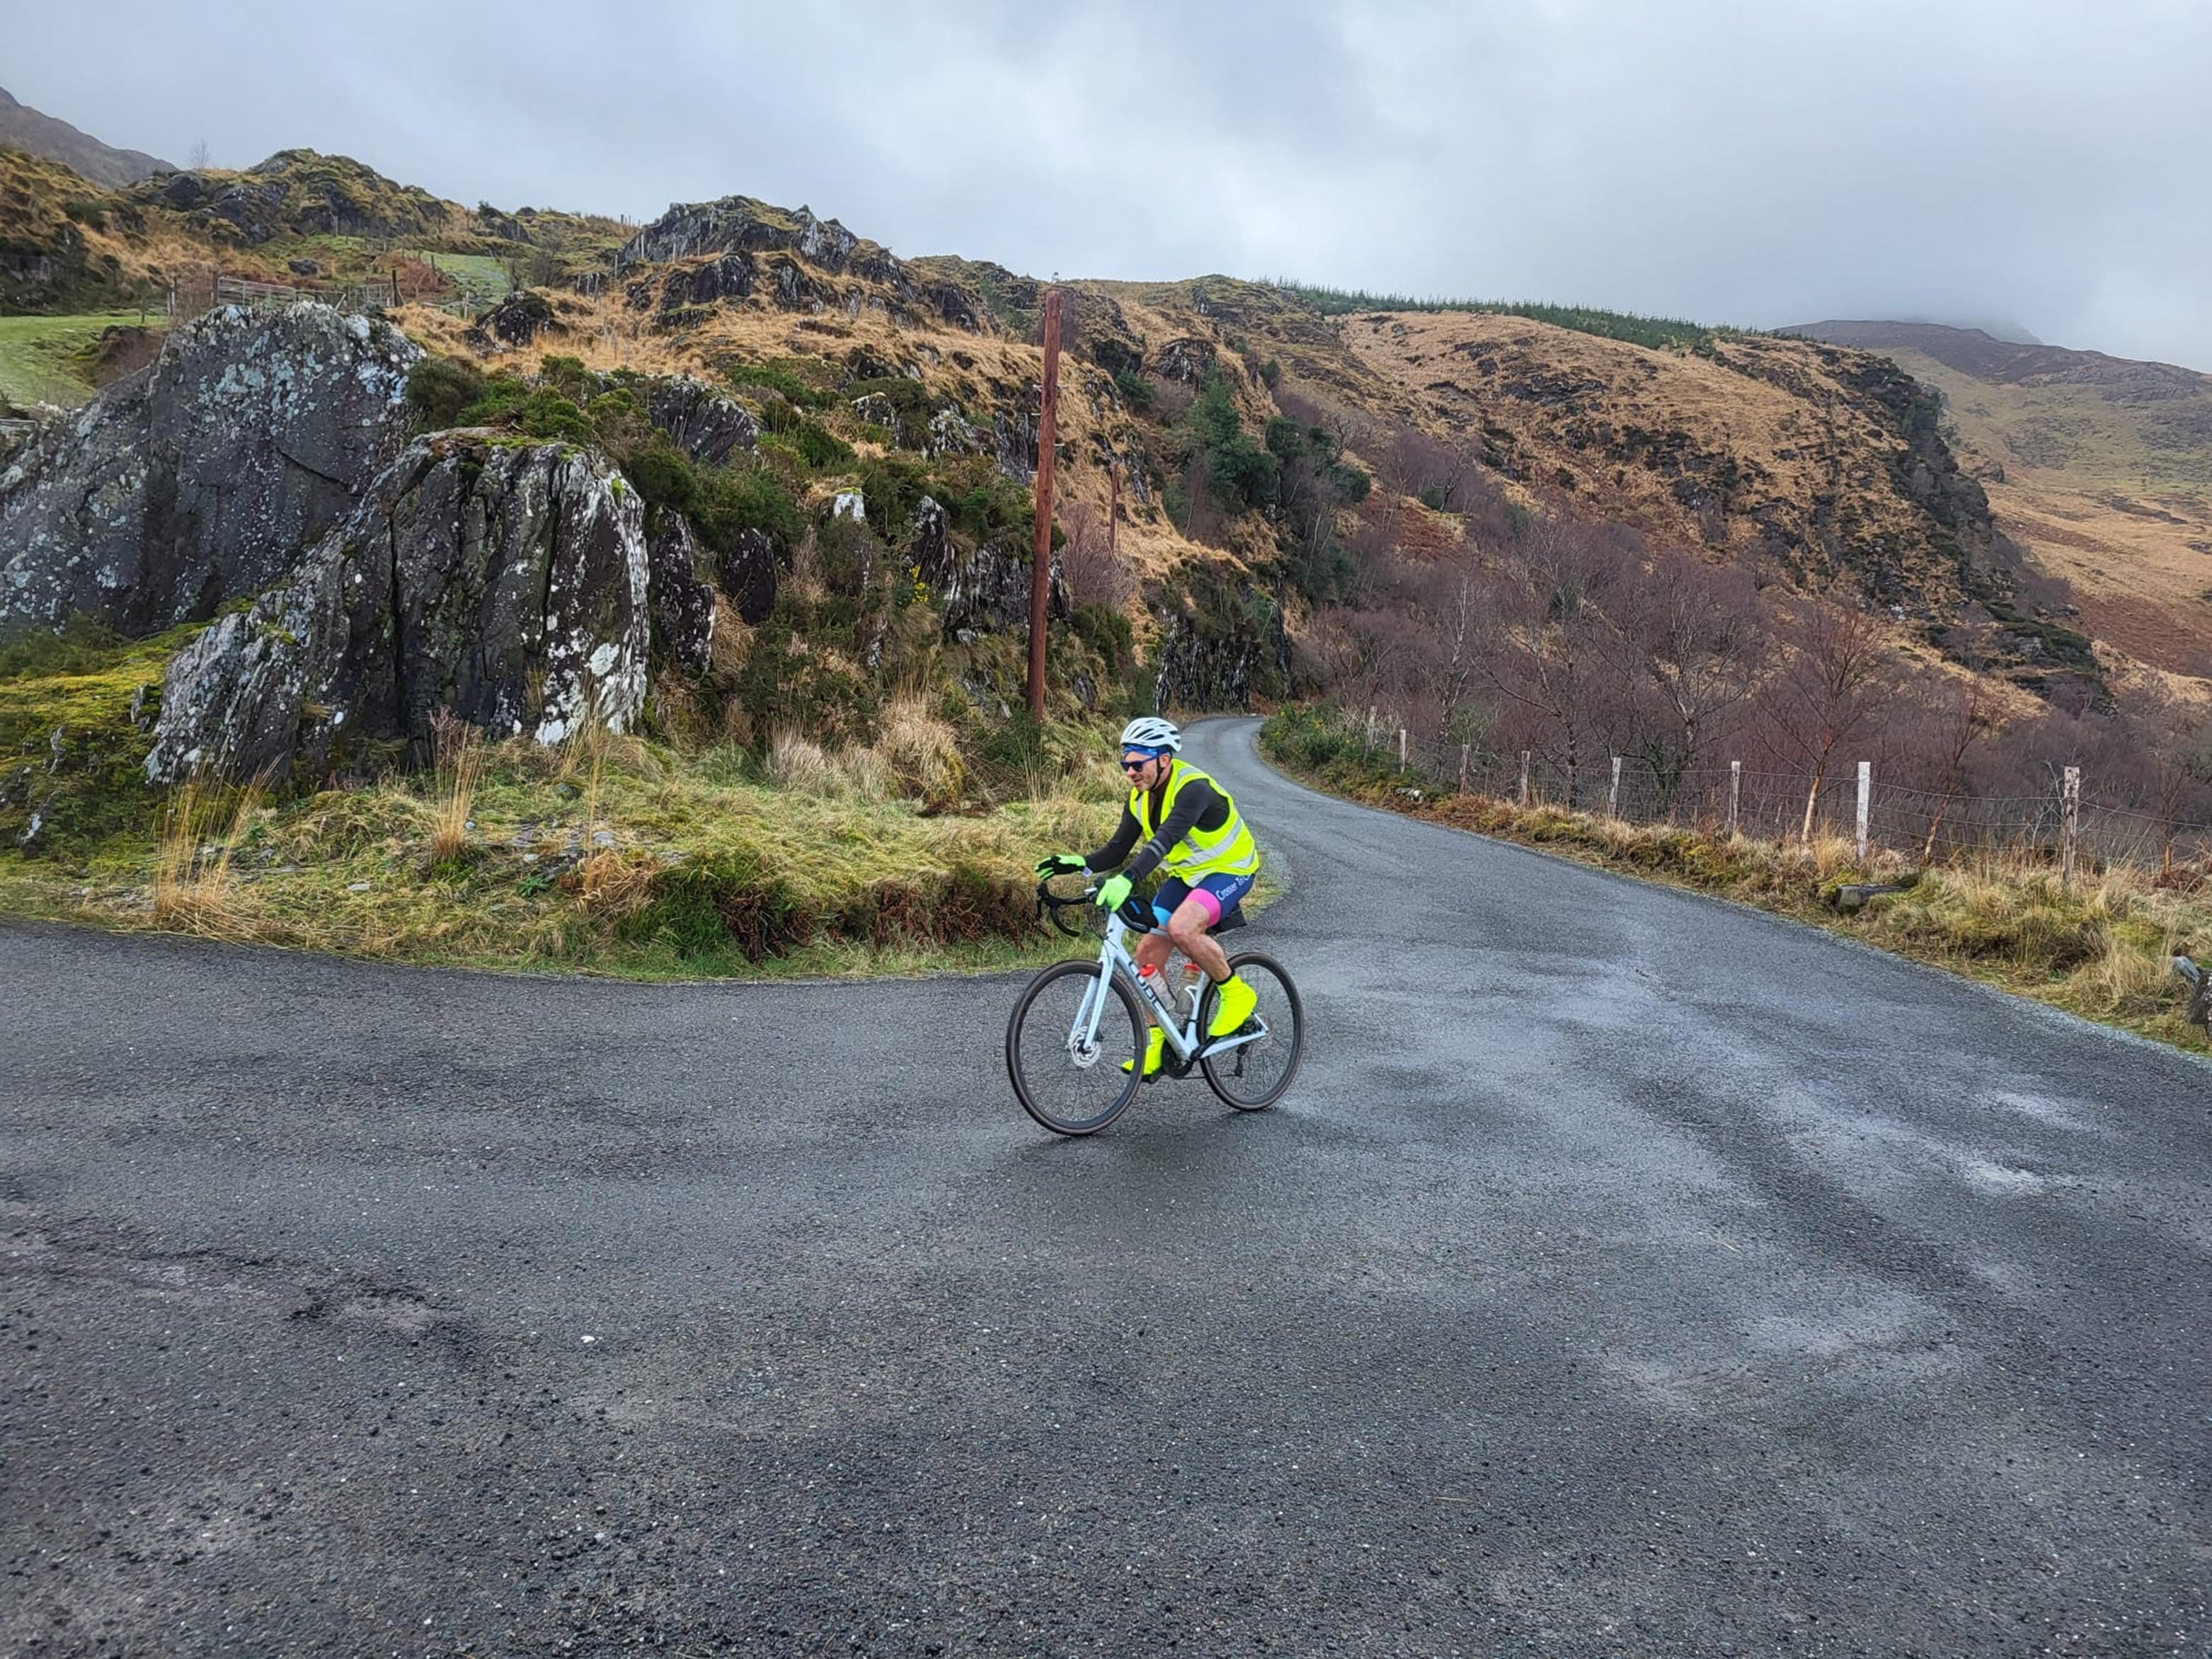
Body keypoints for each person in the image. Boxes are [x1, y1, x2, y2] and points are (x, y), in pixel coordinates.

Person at [1035, 717, 1260, 1078]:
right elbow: (1117, 849)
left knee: (1183, 928)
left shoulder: (1194, 789)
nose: (1130, 772)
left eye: (1137, 764)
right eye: (1125, 764)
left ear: (1164, 760)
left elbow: (1164, 841)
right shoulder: (1140, 798)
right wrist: (1077, 863)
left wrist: (1128, 880)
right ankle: (1160, 1042)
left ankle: (1236, 994)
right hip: (1188, 875)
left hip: (1231, 868)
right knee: (1146, 954)